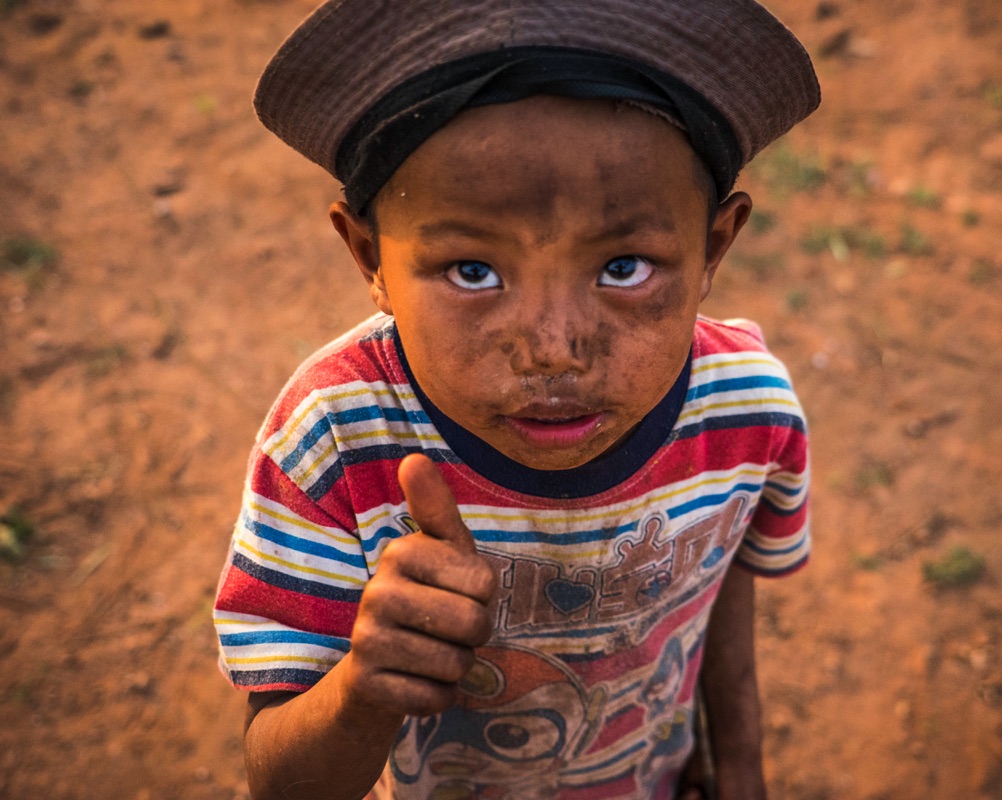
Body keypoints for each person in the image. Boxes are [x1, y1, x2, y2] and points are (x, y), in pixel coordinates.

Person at [212, 1, 819, 798]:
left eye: (625, 266)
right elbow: (277, 780)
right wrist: (363, 689)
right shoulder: (333, 442)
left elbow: (724, 561)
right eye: (473, 271)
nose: (553, 349)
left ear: (713, 246)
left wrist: (739, 756)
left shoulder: (745, 410)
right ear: (370, 257)